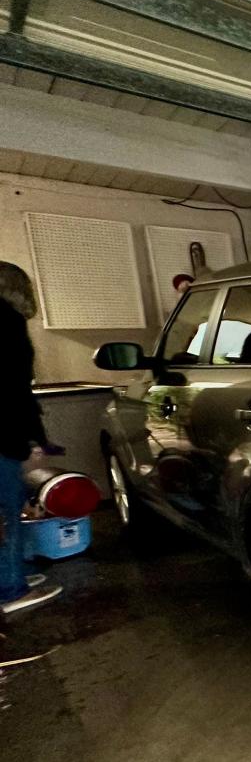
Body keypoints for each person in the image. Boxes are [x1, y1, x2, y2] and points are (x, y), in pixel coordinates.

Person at [0, 262, 64, 613]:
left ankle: (13, 574)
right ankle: (11, 589)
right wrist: (33, 439)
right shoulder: (7, 322)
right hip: (3, 433)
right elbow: (14, 390)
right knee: (7, 512)